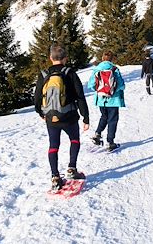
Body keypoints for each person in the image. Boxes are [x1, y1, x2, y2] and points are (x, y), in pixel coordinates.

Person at [35, 45, 90, 191]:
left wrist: (42, 113)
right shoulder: (70, 73)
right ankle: (72, 168)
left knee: (53, 146)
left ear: (50, 58)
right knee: (74, 140)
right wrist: (86, 117)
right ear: (65, 58)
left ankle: (55, 177)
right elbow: (80, 97)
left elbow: (37, 97)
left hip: (51, 118)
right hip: (69, 116)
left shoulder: (44, 74)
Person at [88, 50, 125, 151]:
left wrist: (100, 91)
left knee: (104, 117)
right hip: (113, 100)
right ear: (112, 59)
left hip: (101, 99)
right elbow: (121, 85)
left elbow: (90, 85)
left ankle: (98, 134)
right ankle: (110, 142)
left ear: (102, 58)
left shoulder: (96, 70)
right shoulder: (114, 69)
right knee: (112, 120)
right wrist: (112, 91)